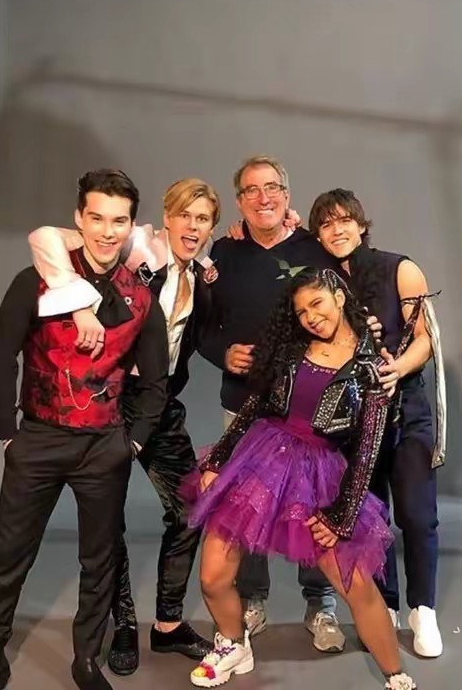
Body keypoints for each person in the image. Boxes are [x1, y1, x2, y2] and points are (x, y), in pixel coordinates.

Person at [0, 169, 169, 690]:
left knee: (100, 562)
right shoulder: (36, 279)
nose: (107, 231)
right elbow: (1, 355)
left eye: (118, 221)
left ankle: (87, 661)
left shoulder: (140, 298)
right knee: (9, 556)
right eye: (96, 218)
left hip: (104, 447)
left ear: (130, 226)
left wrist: (133, 441)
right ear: (79, 219)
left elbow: (155, 381)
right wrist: (7, 430)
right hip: (38, 439)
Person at [184, 267, 417, 690]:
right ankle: (233, 643)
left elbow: (367, 450)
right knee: (212, 576)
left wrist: (341, 516)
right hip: (260, 461)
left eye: (317, 304)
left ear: (339, 297)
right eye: (301, 311)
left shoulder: (371, 368)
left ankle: (395, 674)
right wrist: (217, 459)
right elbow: (254, 407)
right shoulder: (291, 349)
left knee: (357, 586)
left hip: (318, 476)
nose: (310, 317)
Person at [26, 178, 222, 676]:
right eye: (184, 215)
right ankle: (125, 623)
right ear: (166, 217)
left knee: (191, 508)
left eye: (202, 219)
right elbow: (45, 238)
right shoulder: (137, 246)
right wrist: (75, 299)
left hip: (159, 403)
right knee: (107, 522)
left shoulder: (202, 272)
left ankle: (169, 625)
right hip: (108, 401)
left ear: (211, 227)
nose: (192, 226)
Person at [198, 155, 349, 652]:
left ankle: (320, 603)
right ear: (239, 200)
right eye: (251, 190)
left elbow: (343, 314)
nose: (263, 198)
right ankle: (252, 597)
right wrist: (222, 352)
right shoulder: (222, 253)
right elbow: (201, 325)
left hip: (308, 407)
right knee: (247, 506)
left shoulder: (315, 249)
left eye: (271, 188)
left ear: (287, 194)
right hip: (244, 402)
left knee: (313, 502)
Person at [308, 188, 445, 658]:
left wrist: (396, 370)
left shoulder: (400, 269)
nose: (337, 230)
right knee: (371, 518)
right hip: (352, 419)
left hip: (405, 410)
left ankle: (423, 609)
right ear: (318, 235)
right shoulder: (321, 285)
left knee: (417, 514)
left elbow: (426, 338)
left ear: (362, 224)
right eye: (326, 224)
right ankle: (384, 607)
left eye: (345, 220)